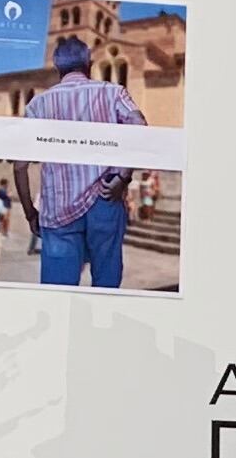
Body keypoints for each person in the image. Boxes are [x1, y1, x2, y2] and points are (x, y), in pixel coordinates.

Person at [16, 33, 145, 289]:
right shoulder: (114, 92)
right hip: (105, 199)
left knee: (58, 290)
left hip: (57, 207)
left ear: (57, 68)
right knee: (106, 284)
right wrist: (123, 176)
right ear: (89, 64)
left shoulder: (37, 105)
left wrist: (30, 212)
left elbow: (20, 166)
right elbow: (139, 126)